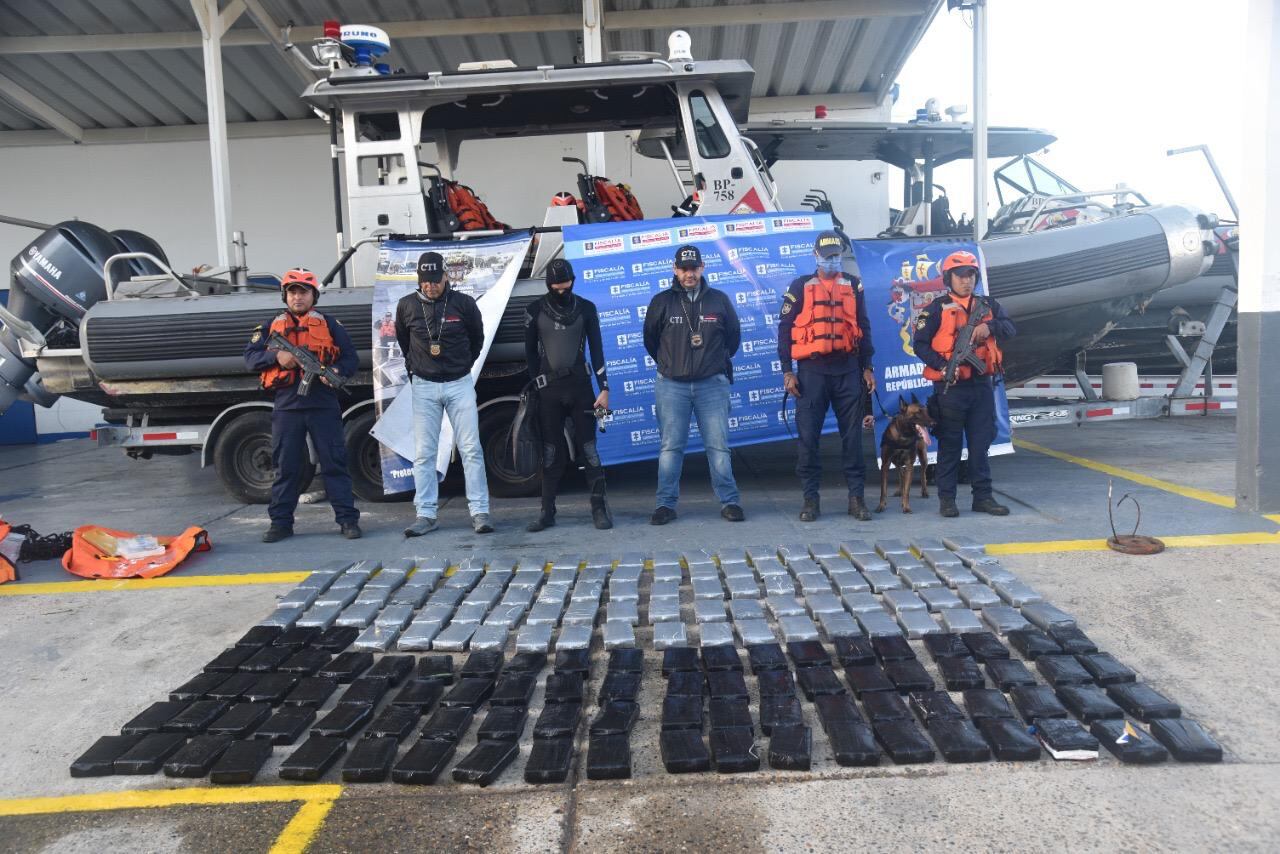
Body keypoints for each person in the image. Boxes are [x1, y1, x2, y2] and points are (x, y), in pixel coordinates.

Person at [243, 268, 361, 542]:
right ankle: (280, 524)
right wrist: (278, 357)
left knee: (335, 463)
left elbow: (350, 358)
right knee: (286, 467)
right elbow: (250, 358)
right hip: (287, 406)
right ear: (285, 296)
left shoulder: (331, 325)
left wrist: (338, 375)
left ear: (313, 295)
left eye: (303, 292)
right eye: (293, 292)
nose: (298, 297)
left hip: (323, 403)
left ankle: (347, 520)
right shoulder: (270, 325)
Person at [777, 230, 876, 522]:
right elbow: (785, 331)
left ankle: (856, 499)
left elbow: (864, 327)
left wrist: (867, 366)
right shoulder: (800, 286)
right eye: (828, 255)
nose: (833, 260)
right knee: (808, 439)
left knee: (853, 439)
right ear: (816, 255)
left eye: (837, 255)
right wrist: (787, 372)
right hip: (812, 373)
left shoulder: (854, 286)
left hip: (848, 369)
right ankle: (810, 500)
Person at [642, 244, 744, 525]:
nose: (689, 274)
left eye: (694, 268)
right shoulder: (661, 302)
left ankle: (730, 501)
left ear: (702, 268)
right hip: (671, 386)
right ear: (675, 270)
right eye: (684, 269)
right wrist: (672, 364)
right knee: (670, 448)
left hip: (712, 384)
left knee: (718, 447)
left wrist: (712, 364)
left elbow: (733, 339)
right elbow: (651, 341)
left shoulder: (719, 300)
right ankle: (665, 504)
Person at [913, 249, 1016, 517]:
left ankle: (983, 497)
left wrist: (989, 328)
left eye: (970, 275)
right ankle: (947, 500)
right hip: (951, 390)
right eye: (960, 276)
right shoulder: (935, 309)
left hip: (981, 386)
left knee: (980, 444)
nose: (966, 281)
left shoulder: (989, 306)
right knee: (950, 445)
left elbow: (1010, 328)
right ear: (949, 278)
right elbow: (920, 345)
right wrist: (943, 365)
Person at [396, 251, 493, 536]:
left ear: (446, 276)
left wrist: (462, 366)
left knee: (471, 449)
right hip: (424, 386)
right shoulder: (406, 306)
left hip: (459, 383)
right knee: (424, 453)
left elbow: (478, 339)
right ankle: (425, 514)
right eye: (424, 281)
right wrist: (416, 368)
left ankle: (480, 512)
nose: (430, 286)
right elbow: (404, 342)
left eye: (435, 280)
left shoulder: (463, 303)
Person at [523, 258, 612, 532]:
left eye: (566, 286)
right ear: (548, 284)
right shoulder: (534, 309)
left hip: (581, 389)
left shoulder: (586, 308)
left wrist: (604, 389)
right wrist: (535, 387)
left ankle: (599, 510)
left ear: (573, 281)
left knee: (589, 450)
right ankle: (547, 512)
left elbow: (597, 351)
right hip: (548, 392)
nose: (561, 291)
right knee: (550, 453)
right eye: (555, 287)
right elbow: (528, 355)